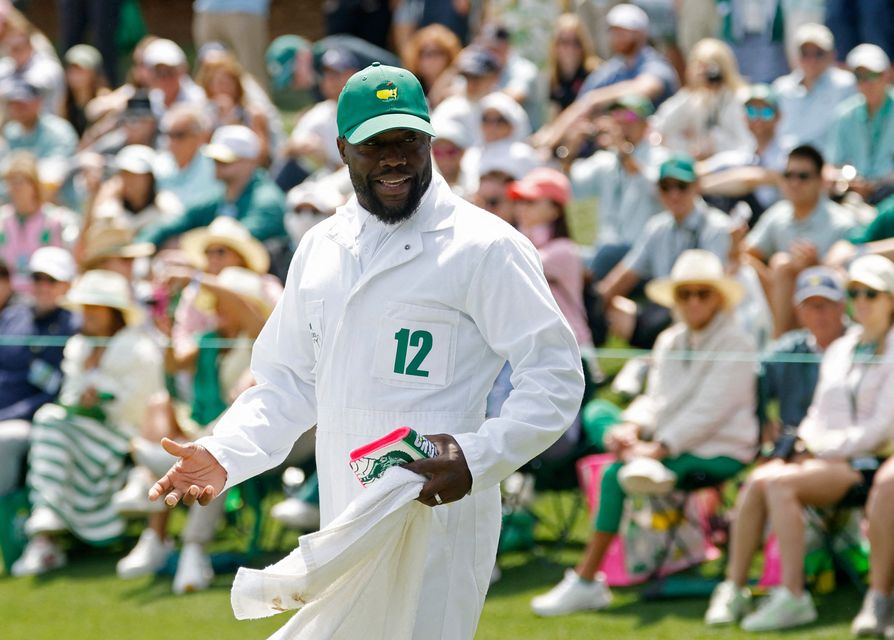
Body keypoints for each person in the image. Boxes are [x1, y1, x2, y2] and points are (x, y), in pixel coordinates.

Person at [149, 62, 584, 638]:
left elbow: (554, 376)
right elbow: (287, 383)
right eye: (375, 143)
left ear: (430, 139)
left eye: (408, 139)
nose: (395, 158)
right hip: (345, 511)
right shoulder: (321, 247)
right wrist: (226, 451)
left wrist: (479, 458)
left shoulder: (486, 246)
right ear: (342, 148)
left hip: (439, 516)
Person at [531, 249, 757, 616]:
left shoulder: (737, 343)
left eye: (703, 293)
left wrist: (659, 448)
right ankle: (631, 457)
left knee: (614, 475)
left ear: (718, 297)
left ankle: (587, 579)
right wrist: (632, 428)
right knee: (599, 412)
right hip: (667, 444)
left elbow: (710, 413)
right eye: (686, 294)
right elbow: (657, 400)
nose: (694, 301)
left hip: (720, 448)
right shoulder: (671, 340)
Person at [704, 255, 894, 632]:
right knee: (762, 478)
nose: (861, 302)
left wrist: (820, 449)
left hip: (867, 462)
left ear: (890, 299)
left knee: (779, 482)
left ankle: (793, 594)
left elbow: (880, 428)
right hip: (831, 459)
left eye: (870, 293)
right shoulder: (843, 349)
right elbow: (817, 413)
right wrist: (804, 443)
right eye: (855, 293)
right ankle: (734, 586)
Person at [11, 269, 165, 576]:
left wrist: (103, 389)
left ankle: (48, 517)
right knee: (49, 421)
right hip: (81, 433)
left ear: (114, 313)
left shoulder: (139, 349)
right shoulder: (79, 347)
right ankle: (46, 527)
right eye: (86, 309)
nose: (89, 316)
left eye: (96, 309)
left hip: (125, 436)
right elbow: (69, 396)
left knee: (48, 423)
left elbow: (140, 407)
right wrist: (85, 394)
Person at [597, 154, 732, 348]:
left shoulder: (716, 227)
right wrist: (596, 302)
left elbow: (713, 288)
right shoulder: (657, 227)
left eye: (681, 186)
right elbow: (626, 274)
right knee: (614, 307)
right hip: (664, 310)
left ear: (697, 186)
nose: (674, 194)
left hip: (700, 311)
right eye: (666, 187)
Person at [534, 3, 679, 152]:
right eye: (614, 31)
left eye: (625, 31)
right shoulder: (612, 69)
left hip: (652, 149)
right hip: (613, 153)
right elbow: (582, 104)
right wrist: (551, 135)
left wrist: (598, 98)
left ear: (641, 33)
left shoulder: (654, 62)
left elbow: (648, 87)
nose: (618, 37)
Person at [744, 145, 855, 336]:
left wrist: (814, 266)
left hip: (826, 307)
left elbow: (846, 281)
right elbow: (747, 255)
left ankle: (778, 344)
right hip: (781, 307)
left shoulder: (842, 223)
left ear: (821, 181)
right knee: (769, 265)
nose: (794, 183)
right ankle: (778, 340)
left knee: (782, 264)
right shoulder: (777, 215)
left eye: (803, 176)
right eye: (788, 175)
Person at [0, 248, 78, 495]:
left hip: (32, 420)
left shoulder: (74, 327)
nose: (43, 286)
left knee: (4, 440)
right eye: (37, 278)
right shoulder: (11, 317)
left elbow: (59, 389)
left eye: (51, 280)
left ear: (66, 285)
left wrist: (8, 414)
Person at [138, 124, 287, 248]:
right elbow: (176, 221)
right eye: (215, 160)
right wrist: (140, 248)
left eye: (225, 161)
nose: (216, 165)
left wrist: (185, 250)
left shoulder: (267, 200)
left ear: (250, 161)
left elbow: (233, 243)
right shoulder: (222, 194)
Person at [569, 94, 667, 280]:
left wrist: (626, 155)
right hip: (604, 250)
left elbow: (658, 190)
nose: (622, 123)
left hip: (641, 252)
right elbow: (572, 185)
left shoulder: (660, 158)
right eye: (617, 116)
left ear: (646, 124)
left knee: (606, 256)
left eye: (630, 117)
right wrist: (572, 147)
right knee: (566, 258)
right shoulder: (606, 160)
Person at [760, 267, 847, 441]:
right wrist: (763, 421)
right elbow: (755, 377)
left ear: (841, 307)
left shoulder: (860, 345)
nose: (818, 313)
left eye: (825, 304)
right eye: (809, 305)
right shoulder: (789, 349)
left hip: (844, 443)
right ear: (798, 311)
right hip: (792, 444)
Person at [651, 38, 754, 162]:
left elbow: (747, 145)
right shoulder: (696, 99)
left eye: (707, 67)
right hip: (704, 165)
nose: (702, 73)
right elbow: (663, 126)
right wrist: (690, 89)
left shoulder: (739, 99)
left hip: (731, 164)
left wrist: (716, 144)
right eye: (697, 67)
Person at [773, 23, 856, 152]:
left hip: (826, 163)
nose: (811, 60)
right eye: (805, 53)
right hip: (785, 161)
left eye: (818, 53)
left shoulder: (846, 85)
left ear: (832, 55)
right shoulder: (781, 87)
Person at [827, 44, 894, 204]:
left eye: (872, 75)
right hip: (854, 195)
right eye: (859, 76)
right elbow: (833, 166)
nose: (866, 82)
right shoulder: (845, 113)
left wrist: (881, 183)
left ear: (887, 74)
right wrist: (848, 181)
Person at [0, 151, 67, 294]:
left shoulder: (52, 220)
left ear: (34, 185)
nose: (15, 189)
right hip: (5, 296)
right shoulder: (2, 219)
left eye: (20, 183)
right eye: (11, 183)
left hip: (39, 294)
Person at [192, 0, 270, 89]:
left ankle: (258, 101)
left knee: (251, 67)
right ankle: (205, 102)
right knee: (207, 65)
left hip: (246, 9)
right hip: (207, 8)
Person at [547, 13, 601, 118]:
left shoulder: (594, 72)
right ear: (555, 45)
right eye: (564, 42)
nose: (570, 48)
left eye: (576, 42)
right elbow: (555, 114)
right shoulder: (555, 77)